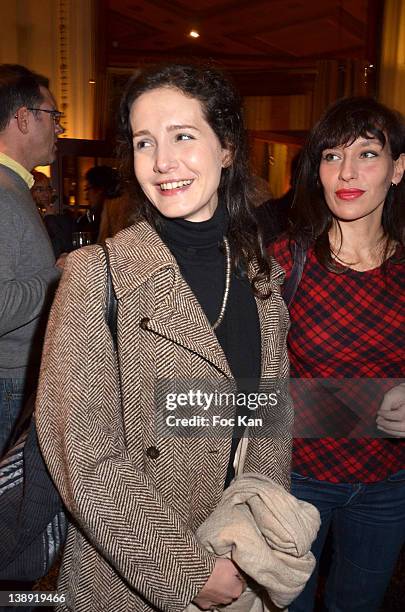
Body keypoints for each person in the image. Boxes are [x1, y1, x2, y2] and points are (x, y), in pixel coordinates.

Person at [36, 63, 292, 611]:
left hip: (237, 558)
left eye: (183, 136)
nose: (162, 162)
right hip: (128, 579)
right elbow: (82, 456)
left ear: (226, 149)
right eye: (145, 142)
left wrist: (255, 535)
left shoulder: (260, 280)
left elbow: (266, 426)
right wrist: (188, 574)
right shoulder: (98, 275)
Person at [271, 96, 405, 611]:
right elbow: (230, 388)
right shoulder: (284, 260)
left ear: (398, 170)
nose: (346, 172)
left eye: (367, 154)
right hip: (296, 480)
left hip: (388, 485)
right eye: (331, 156)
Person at [0, 64, 62, 456]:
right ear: (24, 118)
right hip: (10, 383)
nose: (59, 128)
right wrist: (57, 277)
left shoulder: (15, 188)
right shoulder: (3, 195)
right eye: (53, 116)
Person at [31, 170, 74, 258]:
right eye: (39, 189)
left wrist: (50, 218)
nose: (46, 194)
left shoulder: (59, 218)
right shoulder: (29, 217)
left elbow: (65, 249)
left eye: (48, 189)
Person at [75, 164, 121, 243]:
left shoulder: (107, 220)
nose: (87, 196)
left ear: (100, 190)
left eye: (88, 188)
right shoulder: (92, 218)